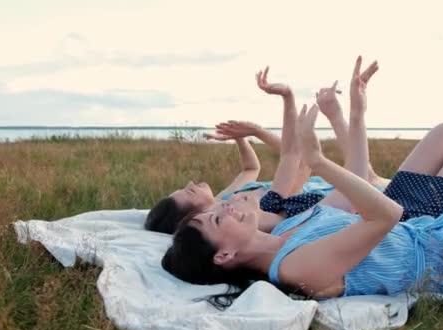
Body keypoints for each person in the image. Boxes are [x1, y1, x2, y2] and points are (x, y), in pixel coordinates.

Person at [162, 56, 443, 309]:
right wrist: (318, 161)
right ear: (224, 255)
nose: (224, 206)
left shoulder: (293, 227)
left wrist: (356, 110)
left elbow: (356, 180)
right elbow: (386, 215)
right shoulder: (293, 269)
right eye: (215, 219)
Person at [145, 65, 392, 234]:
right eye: (189, 192)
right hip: (344, 199)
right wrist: (258, 130)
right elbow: (297, 161)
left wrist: (240, 137)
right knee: (367, 176)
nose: (191, 182)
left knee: (366, 176)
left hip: (342, 198)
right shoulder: (261, 216)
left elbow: (266, 164)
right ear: (196, 216)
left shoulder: (242, 203)